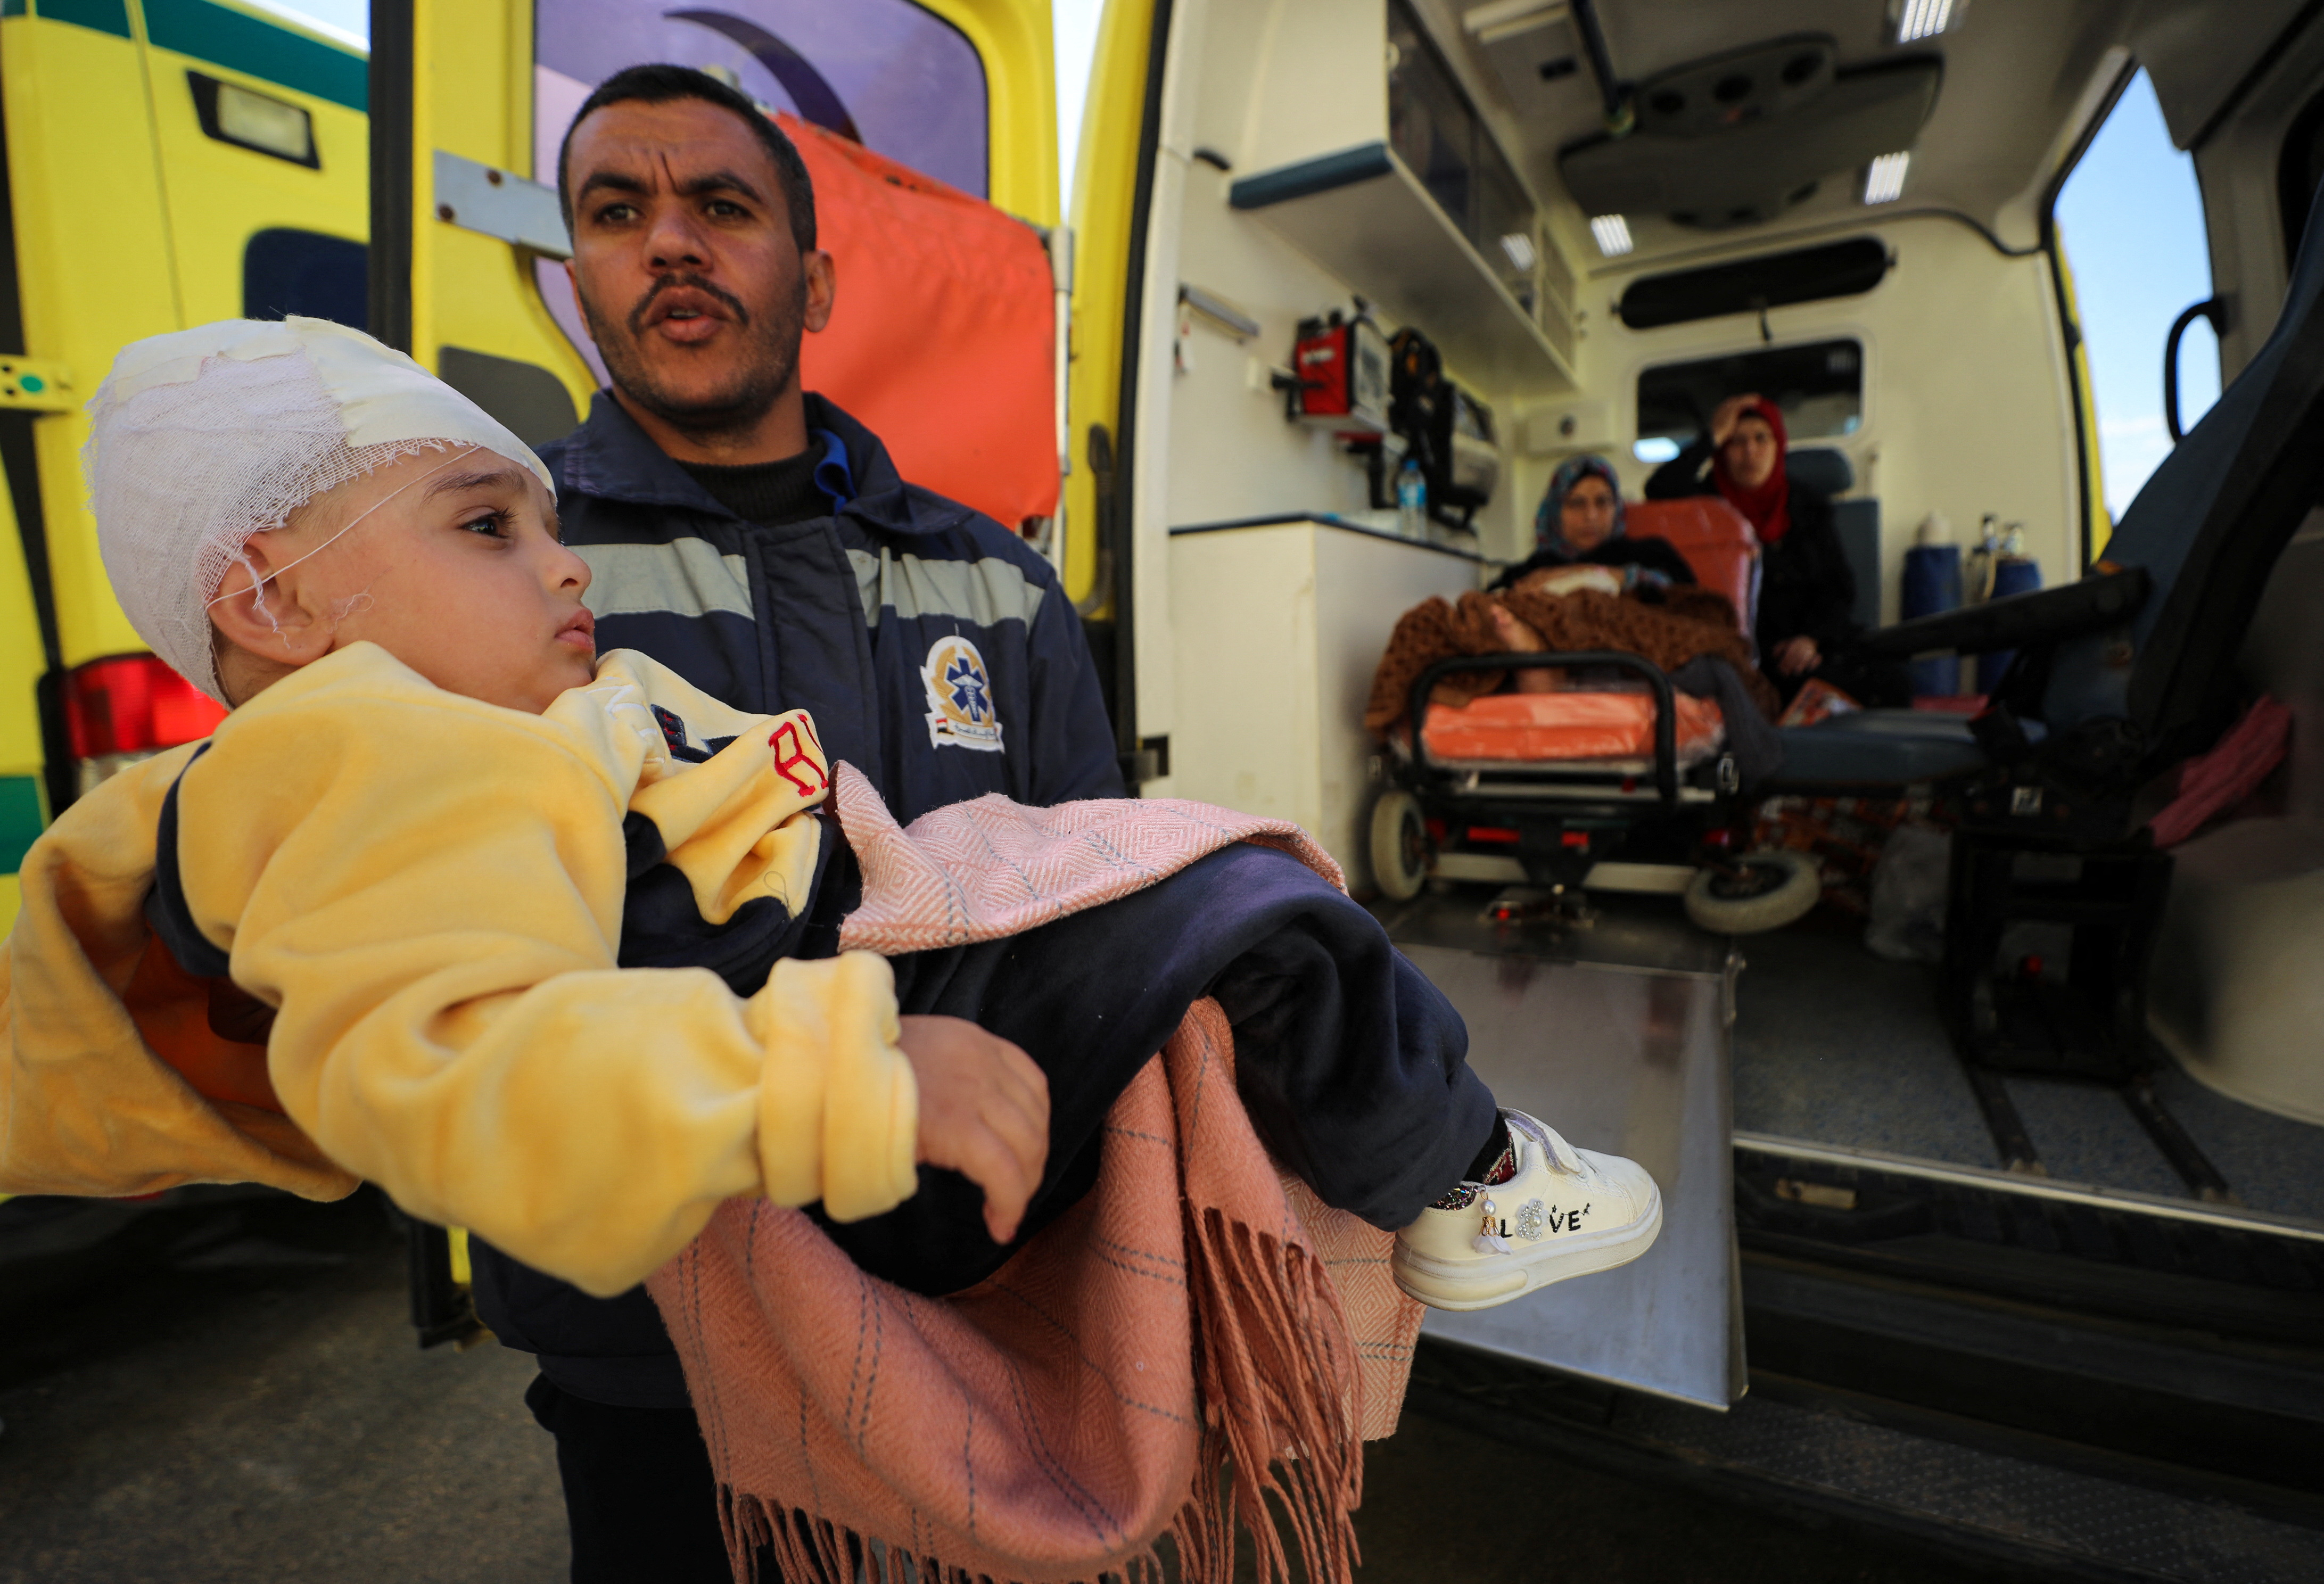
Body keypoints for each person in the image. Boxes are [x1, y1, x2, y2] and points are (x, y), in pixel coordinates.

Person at [5, 317, 1664, 1582]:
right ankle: (1465, 1174)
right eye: (484, 527)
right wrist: (841, 1073)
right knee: (1266, 915)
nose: (563, 555)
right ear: (271, 600)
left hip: (875, 965)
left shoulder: (495, 720)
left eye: (540, 514)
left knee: (1222, 904)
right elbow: (457, 1069)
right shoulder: (385, 755)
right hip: (858, 1041)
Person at [1646, 393, 1908, 708]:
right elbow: (1658, 489)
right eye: (1736, 442)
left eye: (1761, 439)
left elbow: (1838, 587)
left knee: (1892, 678)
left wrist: (1811, 639)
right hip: (1747, 653)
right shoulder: (1709, 503)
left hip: (1812, 645)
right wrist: (1711, 437)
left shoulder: (1806, 505)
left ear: (1778, 445)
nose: (1750, 452)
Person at [1489, 454, 1697, 594]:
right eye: (1576, 504)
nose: (1591, 516)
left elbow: (1690, 598)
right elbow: (1491, 604)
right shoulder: (1531, 571)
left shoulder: (1650, 554)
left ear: (1617, 507)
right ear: (1554, 512)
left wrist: (1622, 577)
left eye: (1602, 502)